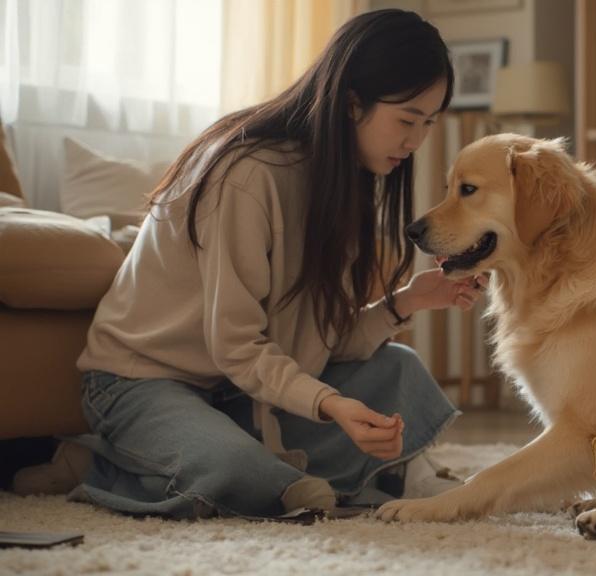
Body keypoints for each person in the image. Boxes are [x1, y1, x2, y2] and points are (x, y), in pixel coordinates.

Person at [64, 9, 482, 519]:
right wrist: (329, 404)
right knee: (247, 476)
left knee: (399, 370)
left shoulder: (340, 180)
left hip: (235, 390)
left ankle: (244, 460)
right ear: (352, 105)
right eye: (406, 120)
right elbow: (239, 346)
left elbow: (315, 344)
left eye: (429, 123)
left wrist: (406, 301)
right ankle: (93, 462)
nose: (416, 141)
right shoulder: (248, 174)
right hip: (143, 382)